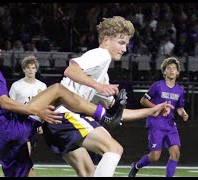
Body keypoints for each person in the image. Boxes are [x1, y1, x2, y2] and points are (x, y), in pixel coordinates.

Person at [0, 27, 129, 177]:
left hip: (1, 142)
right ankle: (104, 116)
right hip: (11, 128)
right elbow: (5, 103)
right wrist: (37, 112)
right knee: (57, 89)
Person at [42, 16, 174, 177]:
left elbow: (116, 114)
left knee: (89, 173)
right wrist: (99, 86)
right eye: (121, 42)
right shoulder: (101, 54)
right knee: (114, 149)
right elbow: (70, 70)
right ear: (106, 40)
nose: (125, 48)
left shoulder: (102, 75)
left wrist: (153, 110)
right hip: (65, 114)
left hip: (55, 120)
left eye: (126, 43)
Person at [128, 57, 189, 177]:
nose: (171, 70)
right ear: (164, 71)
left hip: (170, 125)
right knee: (155, 156)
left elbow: (179, 108)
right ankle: (136, 166)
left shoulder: (180, 90)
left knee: (175, 153)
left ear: (177, 72)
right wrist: (158, 108)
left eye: (174, 68)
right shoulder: (157, 86)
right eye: (169, 68)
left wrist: (184, 114)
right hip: (156, 123)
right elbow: (143, 100)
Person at [9, 55, 47, 155]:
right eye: (28, 68)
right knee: (25, 145)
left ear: (36, 70)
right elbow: (11, 104)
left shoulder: (42, 86)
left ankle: (23, 166)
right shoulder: (16, 86)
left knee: (27, 147)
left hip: (35, 122)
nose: (30, 70)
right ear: (24, 70)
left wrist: (41, 123)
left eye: (33, 68)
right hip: (20, 120)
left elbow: (44, 105)